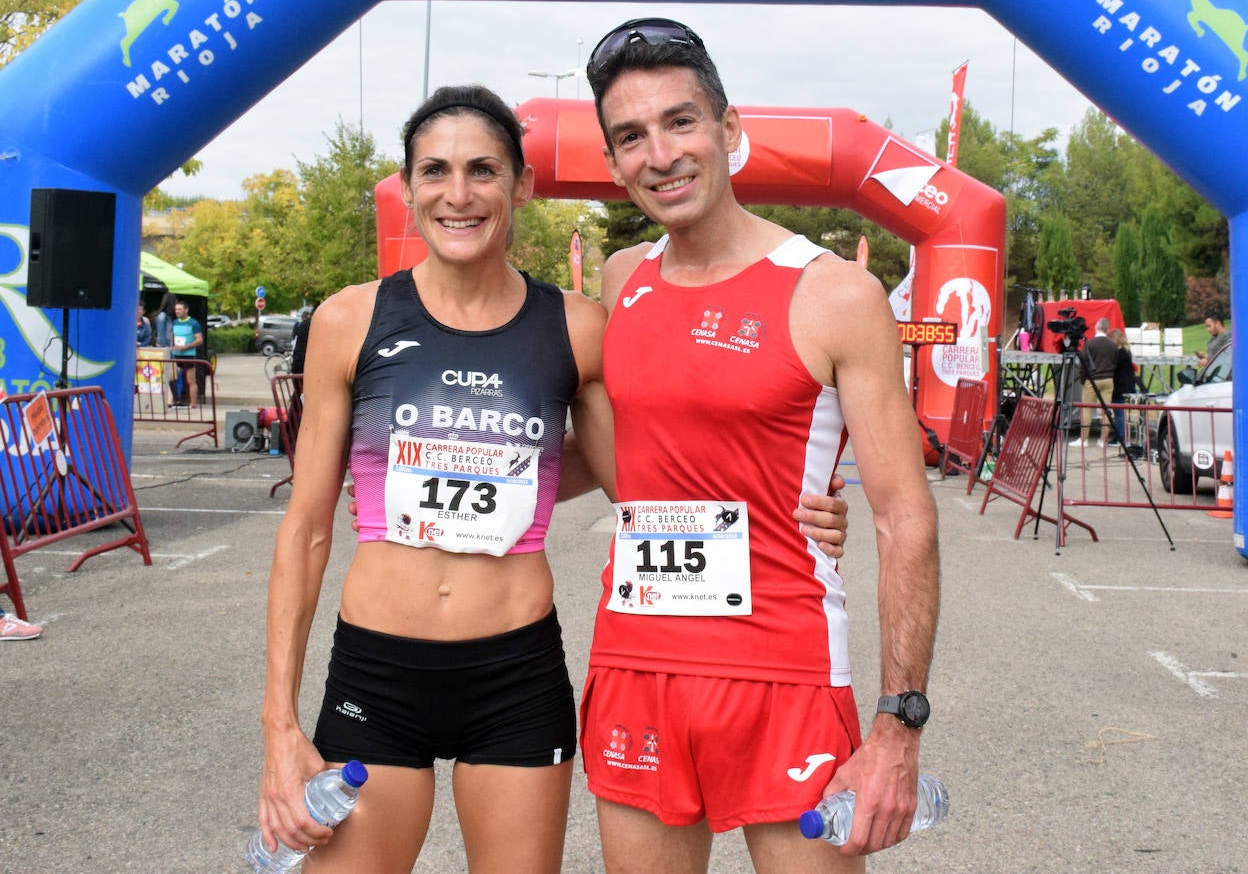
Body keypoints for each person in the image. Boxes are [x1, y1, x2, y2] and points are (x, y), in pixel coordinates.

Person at [255, 84, 849, 874]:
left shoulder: (577, 326)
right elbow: (306, 527)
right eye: (434, 171)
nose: (457, 194)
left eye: (483, 171)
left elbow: (647, 470)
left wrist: (791, 507)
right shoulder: (349, 320)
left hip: (515, 678)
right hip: (377, 671)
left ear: (522, 185)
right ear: (407, 187)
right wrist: (278, 727)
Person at [579, 17, 940, 871]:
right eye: (631, 136)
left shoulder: (835, 294)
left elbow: (906, 521)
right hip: (636, 662)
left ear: (729, 130)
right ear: (612, 161)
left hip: (785, 669)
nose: (659, 154)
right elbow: (616, 449)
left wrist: (899, 726)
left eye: (680, 122)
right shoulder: (621, 279)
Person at [1071, 317, 1118, 448]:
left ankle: (1084, 439)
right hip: (1108, 379)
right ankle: (1103, 440)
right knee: (1106, 410)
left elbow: (1083, 363)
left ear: (1096, 327)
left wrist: (1083, 379)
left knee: (1086, 409)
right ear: (1108, 330)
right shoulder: (1113, 345)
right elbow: (1115, 362)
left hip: (1092, 379)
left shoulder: (1089, 344)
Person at [1107, 327, 1138, 450]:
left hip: (1121, 386)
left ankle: (1120, 437)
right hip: (1124, 385)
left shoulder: (1121, 354)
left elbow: (1113, 367)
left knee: (1119, 412)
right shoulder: (1125, 351)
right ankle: (1120, 435)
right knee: (1119, 412)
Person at [169, 299, 203, 408]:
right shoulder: (174, 322)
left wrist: (186, 347)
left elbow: (199, 340)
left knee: (190, 380)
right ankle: (174, 400)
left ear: (186, 310)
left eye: (179, 309)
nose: (177, 311)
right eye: (176, 309)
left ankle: (192, 403)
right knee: (172, 378)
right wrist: (171, 346)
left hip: (188, 354)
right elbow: (171, 337)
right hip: (175, 354)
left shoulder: (193, 323)